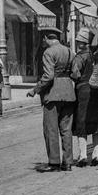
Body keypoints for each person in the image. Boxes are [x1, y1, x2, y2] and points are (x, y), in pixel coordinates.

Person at [28, 27, 75, 172]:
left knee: (51, 129)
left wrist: (35, 90)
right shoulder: (69, 51)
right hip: (68, 94)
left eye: (42, 39)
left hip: (52, 94)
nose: (42, 42)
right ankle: (67, 163)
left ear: (46, 38)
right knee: (66, 130)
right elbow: (75, 73)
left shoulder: (48, 52)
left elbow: (48, 76)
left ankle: (54, 163)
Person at [71, 27, 98, 166]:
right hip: (97, 91)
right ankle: (96, 155)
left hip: (83, 92)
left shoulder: (80, 57)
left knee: (82, 122)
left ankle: (83, 156)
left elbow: (75, 74)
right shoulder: (96, 55)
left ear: (81, 43)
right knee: (96, 122)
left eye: (78, 40)